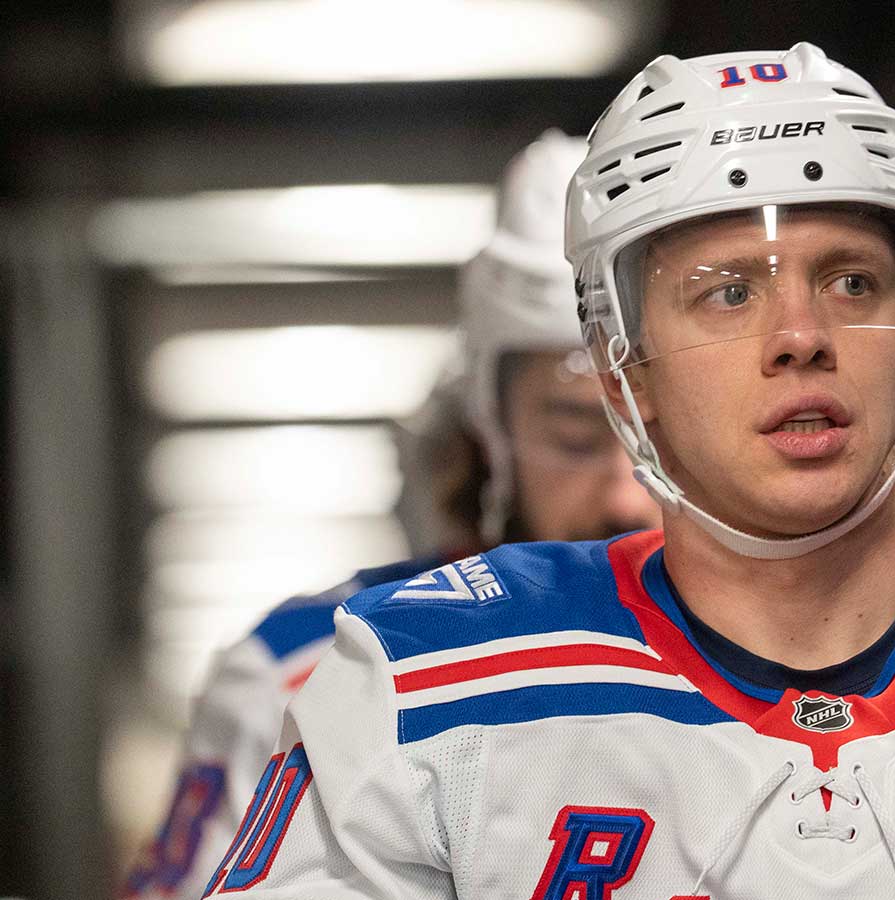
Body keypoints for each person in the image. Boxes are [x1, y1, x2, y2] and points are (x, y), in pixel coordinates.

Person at [205, 43, 895, 898]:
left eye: (849, 282)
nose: (799, 335)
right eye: (727, 292)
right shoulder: (411, 693)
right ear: (620, 367)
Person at [118, 131, 658, 899]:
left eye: (663, 432)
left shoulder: (848, 676)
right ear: (488, 427)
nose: (625, 495)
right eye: (574, 432)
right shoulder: (303, 672)